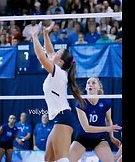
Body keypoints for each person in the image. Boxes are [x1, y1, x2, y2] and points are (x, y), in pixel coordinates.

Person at [31, 22, 85, 162]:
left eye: (57, 53)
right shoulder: (58, 70)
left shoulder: (58, 72)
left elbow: (41, 56)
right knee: (48, 159)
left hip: (64, 119)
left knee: (61, 160)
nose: (53, 53)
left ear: (60, 61)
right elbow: (49, 52)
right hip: (59, 119)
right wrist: (45, 34)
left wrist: (34, 36)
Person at [68, 77, 122, 162]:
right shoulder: (81, 103)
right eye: (88, 83)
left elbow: (108, 120)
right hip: (82, 138)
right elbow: (87, 128)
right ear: (86, 88)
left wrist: (111, 137)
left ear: (99, 87)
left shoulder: (105, 102)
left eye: (93, 83)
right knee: (68, 160)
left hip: (99, 139)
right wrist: (107, 129)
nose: (90, 84)